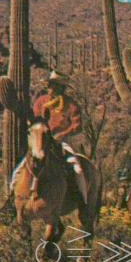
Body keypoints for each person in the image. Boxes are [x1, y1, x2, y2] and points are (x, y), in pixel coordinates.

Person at [32, 71, 89, 203]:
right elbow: (35, 119)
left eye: (53, 85)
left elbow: (77, 126)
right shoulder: (40, 102)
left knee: (77, 169)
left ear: (61, 88)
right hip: (41, 140)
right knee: (21, 167)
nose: (50, 88)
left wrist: (62, 134)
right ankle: (14, 199)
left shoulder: (71, 105)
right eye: (49, 85)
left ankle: (81, 199)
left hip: (62, 143)